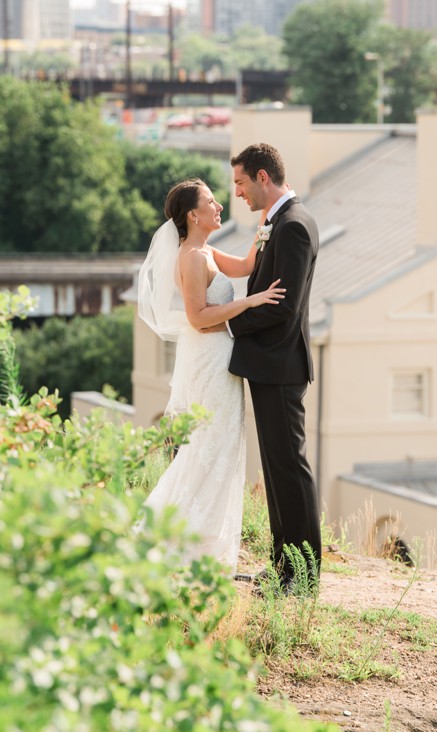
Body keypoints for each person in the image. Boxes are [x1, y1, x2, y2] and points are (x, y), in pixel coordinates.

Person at [137, 178, 285, 570]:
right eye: (211, 202)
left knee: (223, 445)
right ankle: (181, 538)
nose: (219, 206)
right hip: (209, 360)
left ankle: (203, 541)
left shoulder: (206, 250)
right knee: (209, 447)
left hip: (223, 357)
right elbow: (198, 318)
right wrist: (252, 302)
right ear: (193, 214)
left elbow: (248, 264)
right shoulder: (191, 257)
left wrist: (267, 221)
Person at [218, 143, 321, 595]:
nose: (237, 192)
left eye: (240, 182)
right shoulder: (276, 222)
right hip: (269, 365)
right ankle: (284, 567)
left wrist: (227, 320)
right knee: (278, 471)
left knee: (290, 471)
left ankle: (302, 577)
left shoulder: (293, 225)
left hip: (280, 364)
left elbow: (285, 306)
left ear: (262, 177)